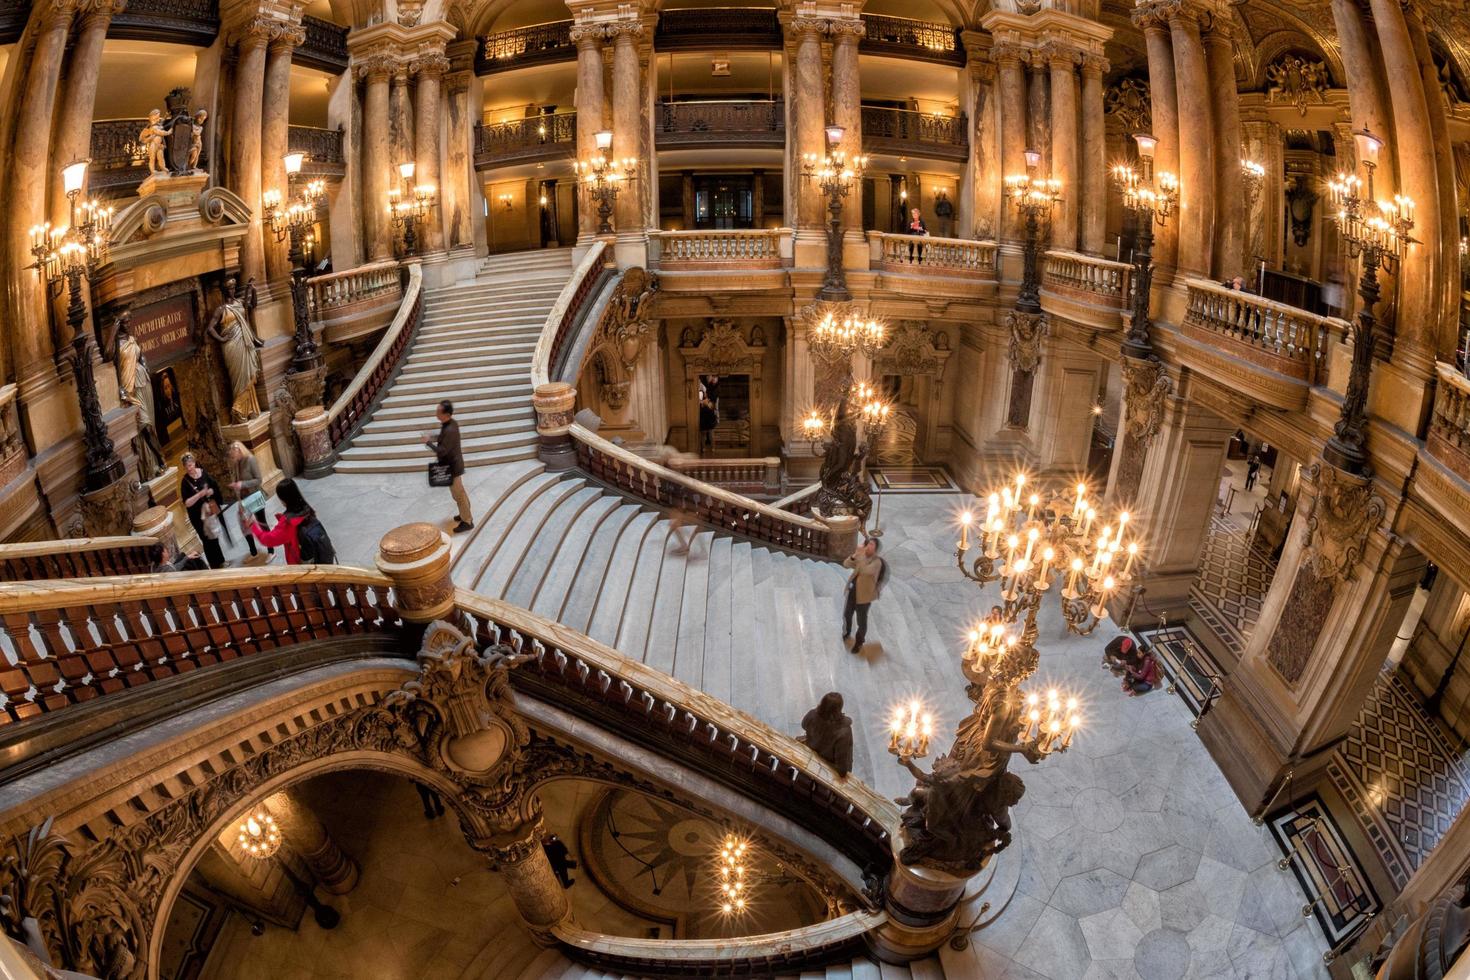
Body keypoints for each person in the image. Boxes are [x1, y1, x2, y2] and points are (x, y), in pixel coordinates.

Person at [204, 277, 264, 422]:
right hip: (231, 346)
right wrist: (222, 339)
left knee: (250, 374)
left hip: (244, 342)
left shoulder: (239, 303)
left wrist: (252, 289)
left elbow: (252, 305)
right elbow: (210, 329)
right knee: (238, 378)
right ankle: (237, 410)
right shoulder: (221, 309)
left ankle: (249, 410)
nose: (232, 291)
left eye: (233, 288)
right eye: (230, 289)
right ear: (225, 291)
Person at [244, 478, 336, 565]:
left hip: (302, 566)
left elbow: (267, 540)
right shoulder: (307, 509)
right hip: (320, 556)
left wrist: (253, 525)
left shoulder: (288, 523)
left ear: (283, 499)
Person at [423, 400, 473, 533]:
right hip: (453, 464)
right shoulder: (450, 423)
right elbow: (443, 439)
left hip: (453, 467)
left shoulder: (449, 428)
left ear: (445, 414)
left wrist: (428, 443)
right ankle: (464, 514)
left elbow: (442, 451)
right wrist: (433, 437)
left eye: (438, 411)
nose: (436, 413)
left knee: (458, 494)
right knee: (459, 493)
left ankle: (467, 521)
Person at [228, 441, 274, 562]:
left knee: (262, 522)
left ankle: (271, 551)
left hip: (254, 496)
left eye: (234, 456)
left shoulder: (251, 460)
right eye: (232, 457)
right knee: (245, 526)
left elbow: (258, 480)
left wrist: (242, 484)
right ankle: (253, 552)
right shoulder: (237, 463)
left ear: (240, 451)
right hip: (243, 499)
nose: (234, 458)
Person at [180, 452, 227, 569]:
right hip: (197, 516)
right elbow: (187, 502)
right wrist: (200, 494)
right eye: (186, 467)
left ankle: (221, 560)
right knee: (206, 539)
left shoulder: (203, 472)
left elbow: (213, 486)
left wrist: (211, 491)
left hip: (209, 510)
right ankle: (214, 564)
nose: (189, 468)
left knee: (214, 535)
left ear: (194, 463)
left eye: (190, 465)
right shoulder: (185, 482)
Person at [842, 538, 885, 651]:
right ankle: (847, 632)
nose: (868, 546)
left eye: (871, 544)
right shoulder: (862, 556)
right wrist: (855, 554)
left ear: (875, 549)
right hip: (853, 592)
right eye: (868, 543)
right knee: (847, 615)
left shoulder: (877, 562)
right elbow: (846, 564)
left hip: (864, 597)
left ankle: (859, 642)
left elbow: (865, 570)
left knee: (861, 622)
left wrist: (859, 555)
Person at [798, 692, 854, 778]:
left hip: (809, 754)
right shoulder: (844, 732)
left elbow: (804, 725)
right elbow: (842, 766)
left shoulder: (812, 714)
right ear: (840, 708)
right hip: (825, 771)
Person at [698, 377, 719, 454]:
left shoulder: (705, 388)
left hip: (708, 413)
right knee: (704, 433)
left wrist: (705, 402)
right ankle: (703, 448)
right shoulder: (702, 389)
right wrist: (703, 402)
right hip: (703, 413)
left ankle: (713, 448)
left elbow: (711, 404)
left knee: (710, 432)